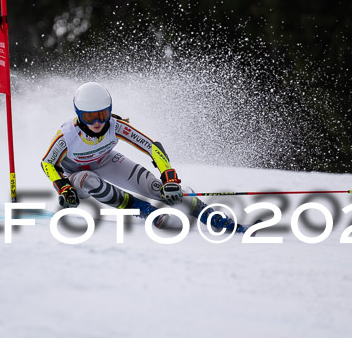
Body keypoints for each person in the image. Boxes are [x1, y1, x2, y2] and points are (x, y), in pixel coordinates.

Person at [40, 82, 249, 233]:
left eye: (102, 114)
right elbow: (47, 162)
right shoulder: (67, 135)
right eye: (89, 116)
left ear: (110, 111)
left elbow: (152, 148)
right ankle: (144, 210)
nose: (97, 122)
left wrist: (169, 179)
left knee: (159, 191)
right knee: (89, 180)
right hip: (76, 175)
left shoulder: (115, 125)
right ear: (79, 114)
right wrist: (63, 187)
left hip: (105, 161)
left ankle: (215, 218)